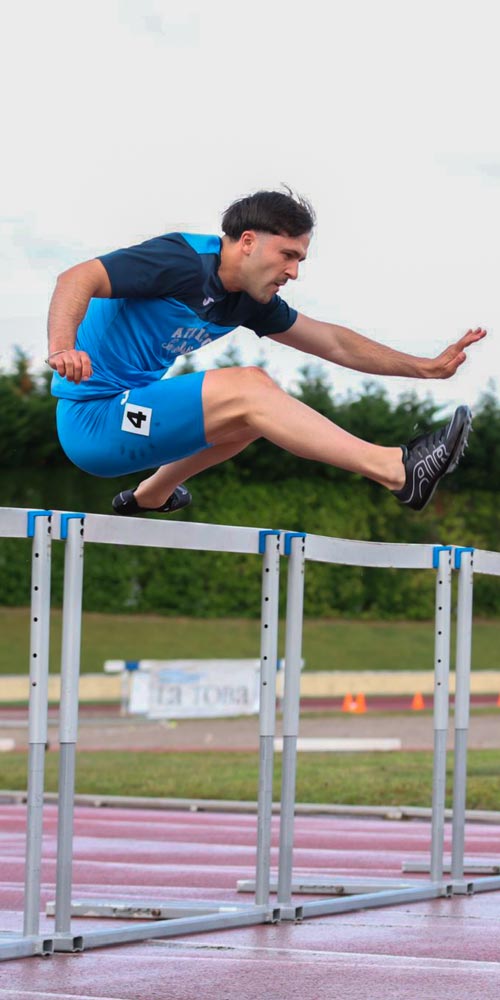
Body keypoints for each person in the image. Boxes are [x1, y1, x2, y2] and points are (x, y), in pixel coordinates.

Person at [46, 189, 485, 515]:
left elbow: (333, 342)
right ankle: (397, 470)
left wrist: (424, 369)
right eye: (287, 255)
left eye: (300, 260)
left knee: (258, 415)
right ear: (249, 242)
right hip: (92, 419)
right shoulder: (179, 261)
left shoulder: (248, 300)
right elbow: (76, 278)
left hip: (132, 417)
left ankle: (153, 495)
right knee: (250, 387)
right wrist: (63, 346)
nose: (293, 272)